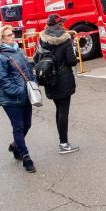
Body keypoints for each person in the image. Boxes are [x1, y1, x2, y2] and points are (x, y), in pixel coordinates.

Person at [0, 25, 38, 173]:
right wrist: (18, 91)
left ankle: (15, 145)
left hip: (26, 95)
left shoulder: (20, 51)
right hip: (11, 99)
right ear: (2, 39)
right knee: (18, 127)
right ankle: (26, 157)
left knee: (28, 124)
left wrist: (33, 83)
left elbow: (29, 70)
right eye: (9, 35)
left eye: (13, 34)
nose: (13, 36)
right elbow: (2, 80)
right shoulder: (1, 57)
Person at [33, 14, 79, 154]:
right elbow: (72, 61)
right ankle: (64, 143)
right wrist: (74, 49)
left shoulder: (41, 38)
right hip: (64, 79)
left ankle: (62, 141)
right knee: (63, 111)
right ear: (59, 24)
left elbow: (36, 58)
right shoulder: (65, 39)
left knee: (58, 110)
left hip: (48, 78)